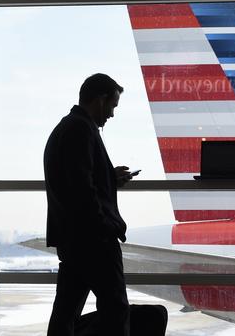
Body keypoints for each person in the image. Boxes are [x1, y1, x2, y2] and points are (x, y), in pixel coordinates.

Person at [44, 73, 138, 336]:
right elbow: (82, 191)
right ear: (100, 100)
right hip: (93, 240)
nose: (111, 114)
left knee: (66, 312)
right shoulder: (81, 130)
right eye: (112, 106)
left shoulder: (67, 127)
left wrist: (108, 176)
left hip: (73, 238)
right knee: (115, 309)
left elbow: (76, 178)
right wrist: (106, 227)